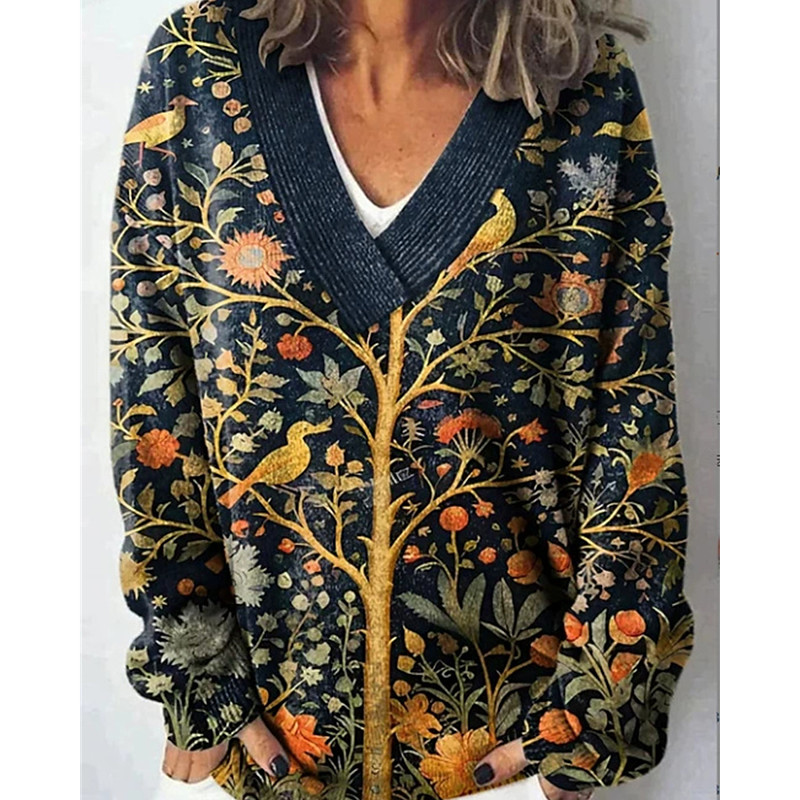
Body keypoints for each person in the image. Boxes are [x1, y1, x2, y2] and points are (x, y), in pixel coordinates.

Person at [108, 2, 695, 800]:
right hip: (268, 754)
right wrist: (196, 665)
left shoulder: (579, 89)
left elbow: (633, 416)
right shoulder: (197, 69)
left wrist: (599, 700)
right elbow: (151, 390)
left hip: (510, 758)